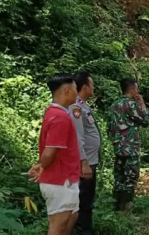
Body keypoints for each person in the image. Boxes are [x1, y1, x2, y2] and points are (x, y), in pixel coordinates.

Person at [28, 74, 81, 235]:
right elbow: (50, 150)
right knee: (58, 225)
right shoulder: (60, 117)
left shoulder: (55, 113)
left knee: (70, 218)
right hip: (59, 180)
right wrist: (42, 166)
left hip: (66, 178)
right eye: (75, 90)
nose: (77, 93)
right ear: (66, 91)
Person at [108, 78, 149, 212]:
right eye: (136, 89)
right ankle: (127, 210)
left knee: (119, 177)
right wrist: (142, 104)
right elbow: (145, 121)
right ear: (132, 90)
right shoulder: (131, 104)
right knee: (131, 177)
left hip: (118, 146)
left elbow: (109, 127)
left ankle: (115, 208)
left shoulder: (114, 105)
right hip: (130, 147)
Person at [69, 72, 101, 235]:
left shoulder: (83, 106)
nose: (93, 88)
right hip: (85, 163)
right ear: (85, 87)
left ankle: (87, 228)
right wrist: (84, 162)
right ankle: (83, 230)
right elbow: (77, 137)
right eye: (92, 85)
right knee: (83, 200)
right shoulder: (76, 108)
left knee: (87, 199)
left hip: (90, 160)